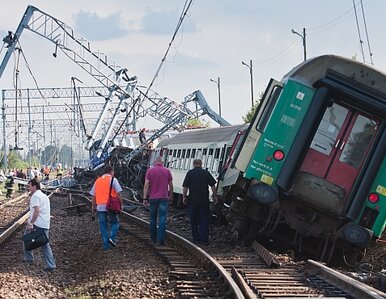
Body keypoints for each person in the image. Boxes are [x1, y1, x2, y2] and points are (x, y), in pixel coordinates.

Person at [23, 178, 56, 271]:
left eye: (29, 186)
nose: (28, 188)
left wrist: (31, 223)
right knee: (29, 238)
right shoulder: (44, 196)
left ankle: (51, 265)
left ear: (34, 186)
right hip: (44, 223)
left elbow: (36, 211)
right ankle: (29, 258)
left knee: (42, 244)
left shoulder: (35, 196)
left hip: (37, 223)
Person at [182, 159, 218, 245]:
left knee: (193, 220)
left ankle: (196, 239)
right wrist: (215, 196)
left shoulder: (190, 173)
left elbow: (185, 186)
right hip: (204, 200)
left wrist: (184, 197)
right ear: (201, 164)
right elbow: (213, 185)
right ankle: (204, 239)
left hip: (192, 200)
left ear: (193, 164)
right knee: (204, 219)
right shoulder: (206, 173)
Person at [90, 165, 123, 250]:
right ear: (112, 172)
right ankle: (111, 237)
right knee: (115, 222)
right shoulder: (113, 180)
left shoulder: (98, 181)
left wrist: (93, 207)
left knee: (103, 226)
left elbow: (94, 196)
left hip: (100, 206)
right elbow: (119, 194)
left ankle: (106, 246)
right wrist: (121, 205)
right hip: (111, 206)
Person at [143, 156, 173, 245]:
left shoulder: (150, 171)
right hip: (164, 198)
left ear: (155, 162)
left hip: (153, 198)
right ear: (163, 162)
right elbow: (171, 185)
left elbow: (146, 185)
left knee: (153, 218)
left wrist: (144, 198)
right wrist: (171, 196)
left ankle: (153, 238)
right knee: (162, 219)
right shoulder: (167, 171)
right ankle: (160, 240)